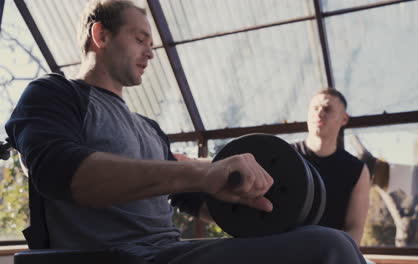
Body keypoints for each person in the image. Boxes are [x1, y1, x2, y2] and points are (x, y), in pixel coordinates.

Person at [5, 1, 367, 263]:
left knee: (329, 240)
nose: (151, 52)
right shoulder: (55, 94)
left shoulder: (149, 128)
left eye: (151, 43)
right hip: (114, 256)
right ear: (101, 34)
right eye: (140, 38)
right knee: (328, 249)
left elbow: (195, 198)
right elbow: (60, 173)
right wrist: (203, 170)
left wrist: (255, 201)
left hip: (169, 251)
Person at [292, 89, 371, 245]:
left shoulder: (357, 170)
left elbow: (355, 228)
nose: (319, 113)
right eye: (315, 108)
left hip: (329, 254)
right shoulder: (285, 156)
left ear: (344, 119)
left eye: (327, 109)